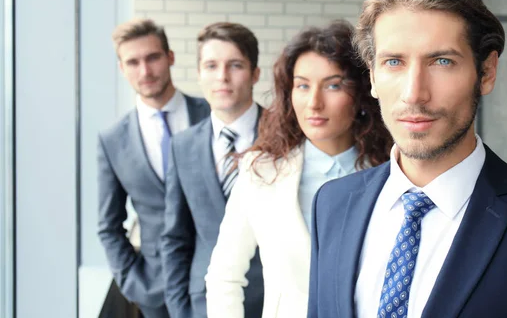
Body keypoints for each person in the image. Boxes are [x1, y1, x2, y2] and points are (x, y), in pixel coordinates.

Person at [307, 0, 507, 318]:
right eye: (394, 62)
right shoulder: (331, 204)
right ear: (372, 75)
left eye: (442, 61)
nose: (414, 93)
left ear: (486, 72)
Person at [204, 20, 392, 318]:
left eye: (333, 85)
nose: (314, 103)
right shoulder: (261, 171)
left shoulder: (391, 172)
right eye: (303, 85)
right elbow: (224, 276)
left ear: (360, 95)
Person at [97, 18, 210, 318]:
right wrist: (133, 282)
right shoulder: (112, 140)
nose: (144, 71)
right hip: (154, 291)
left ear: (170, 57)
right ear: (122, 68)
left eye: (152, 57)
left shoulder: (212, 114)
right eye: (133, 62)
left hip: (219, 280)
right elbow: (109, 224)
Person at [160, 22, 265, 318]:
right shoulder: (182, 146)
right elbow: (175, 237)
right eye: (211, 65)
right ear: (198, 74)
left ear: (255, 73)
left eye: (235, 65)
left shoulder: (285, 136)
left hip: (274, 300)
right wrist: (179, 309)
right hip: (203, 303)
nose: (222, 77)